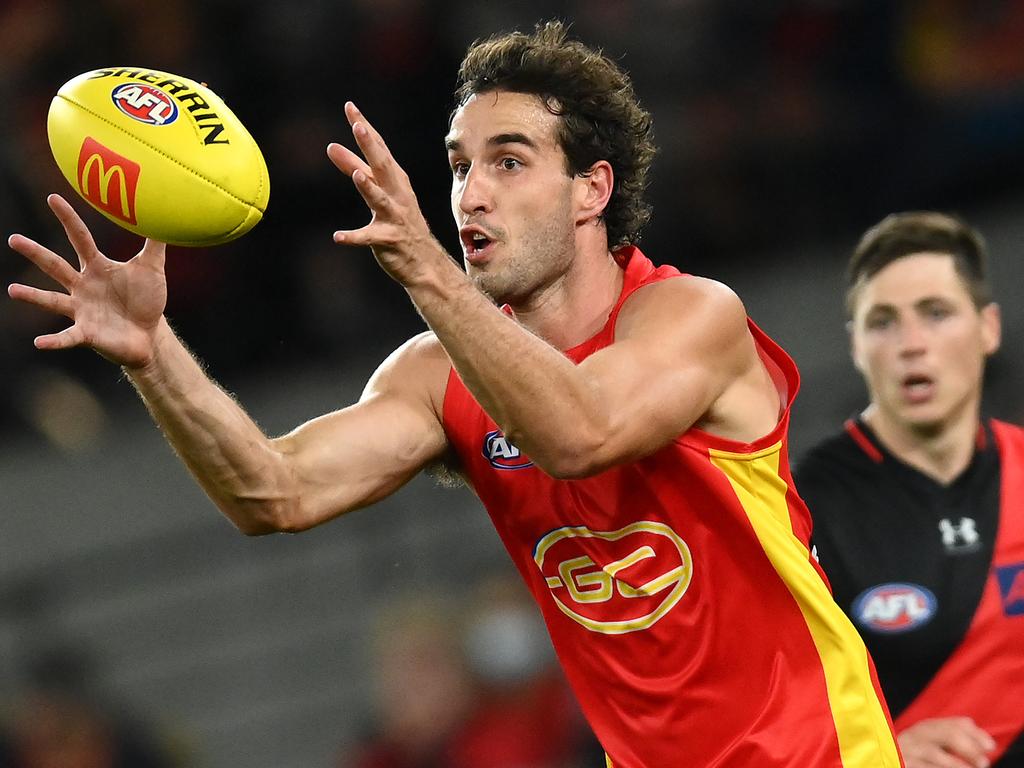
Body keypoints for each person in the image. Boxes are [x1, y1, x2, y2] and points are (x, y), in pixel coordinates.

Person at [7, 21, 902, 767]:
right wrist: (150, 352)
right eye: (459, 166)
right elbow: (272, 492)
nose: (471, 193)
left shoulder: (691, 315)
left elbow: (581, 433)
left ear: (592, 189)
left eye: (508, 163)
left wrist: (430, 276)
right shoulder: (438, 375)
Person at [794, 211, 1024, 768]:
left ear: (989, 328)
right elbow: (757, 709)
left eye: (936, 313)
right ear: (855, 346)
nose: (911, 344)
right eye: (883, 322)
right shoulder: (800, 508)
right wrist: (878, 755)